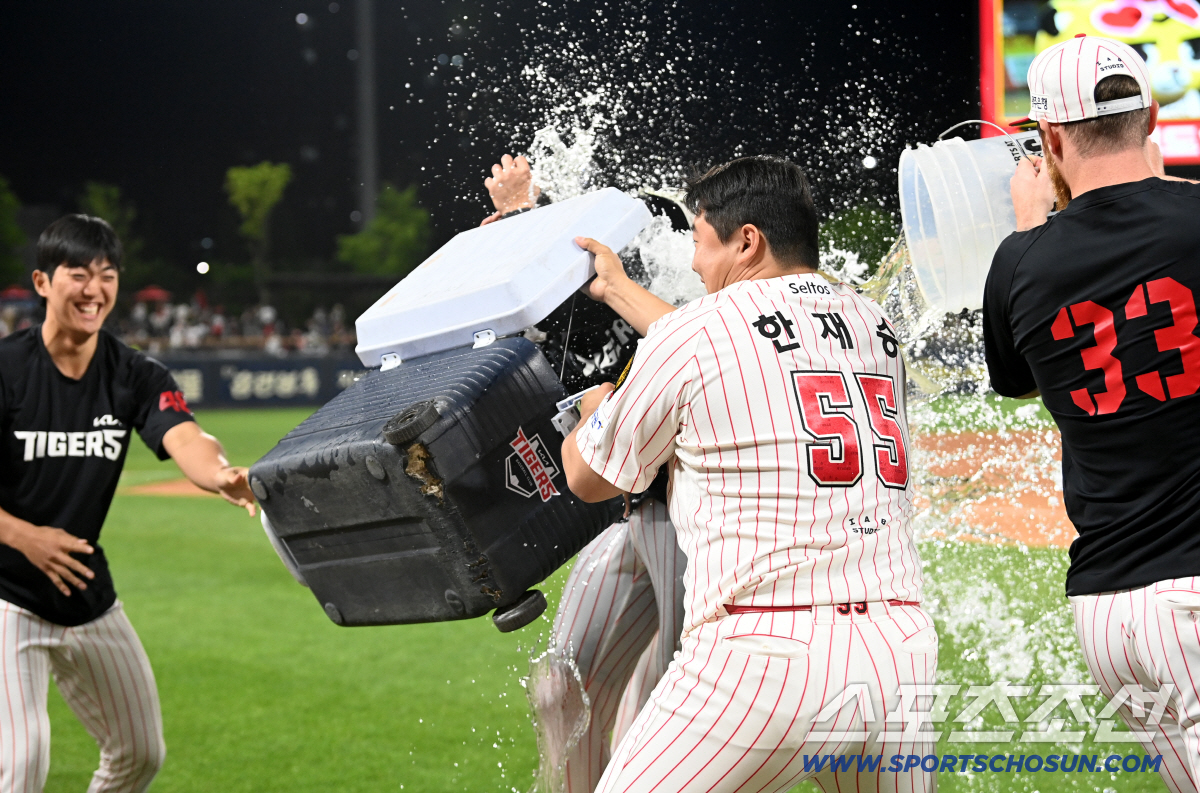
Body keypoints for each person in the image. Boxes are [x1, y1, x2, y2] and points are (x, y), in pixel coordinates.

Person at [563, 157, 934, 793]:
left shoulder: (692, 332)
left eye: (702, 244)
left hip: (764, 653)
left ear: (747, 240)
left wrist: (593, 412)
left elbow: (590, 477)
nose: (696, 265)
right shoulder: (874, 324)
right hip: (898, 649)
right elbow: (746, 353)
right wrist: (619, 289)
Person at [984, 35, 1200, 793]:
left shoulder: (1018, 261)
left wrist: (1030, 229)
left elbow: (1015, 377)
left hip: (1108, 611)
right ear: (1149, 116)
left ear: (1048, 138)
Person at [0, 215, 257, 792]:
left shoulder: (133, 373)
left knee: (139, 755)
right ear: (42, 283)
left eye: (107, 274)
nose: (94, 289)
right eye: (78, 274)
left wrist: (218, 474)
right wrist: (25, 537)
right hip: (6, 595)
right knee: (19, 764)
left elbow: (184, 434)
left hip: (86, 592)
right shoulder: (8, 369)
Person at [482, 154, 689, 792]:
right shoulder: (592, 312)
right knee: (559, 689)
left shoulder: (679, 277)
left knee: (659, 717)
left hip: (700, 518)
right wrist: (518, 224)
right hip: (634, 511)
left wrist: (524, 218)